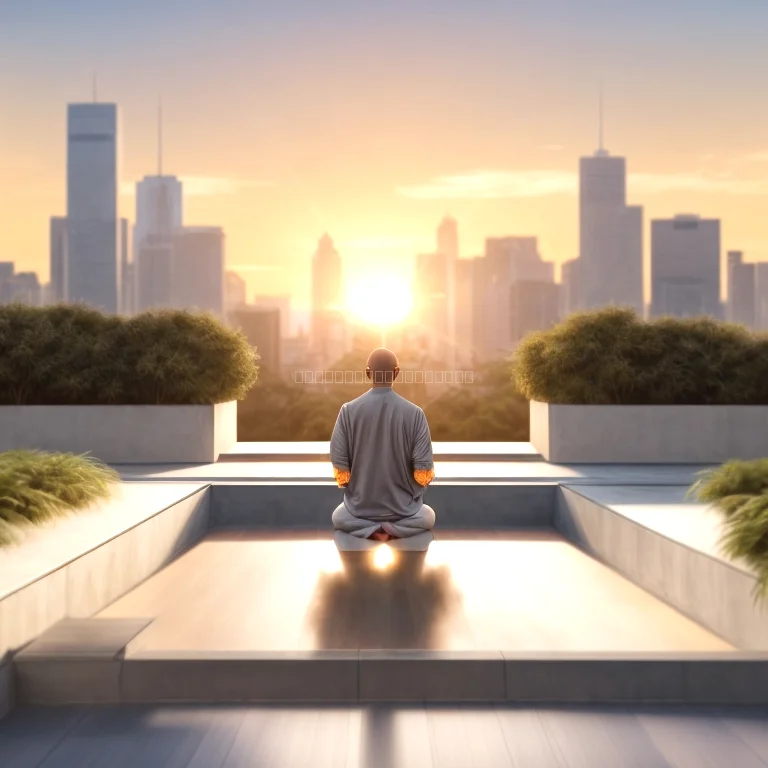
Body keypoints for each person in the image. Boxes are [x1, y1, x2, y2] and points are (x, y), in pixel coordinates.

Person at [330, 348, 436, 542]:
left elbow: (341, 474)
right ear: (396, 373)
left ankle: (372, 530)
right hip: (403, 511)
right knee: (427, 516)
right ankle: (392, 529)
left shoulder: (347, 412)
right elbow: (423, 474)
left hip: (360, 511)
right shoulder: (416, 414)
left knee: (339, 517)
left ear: (368, 372)